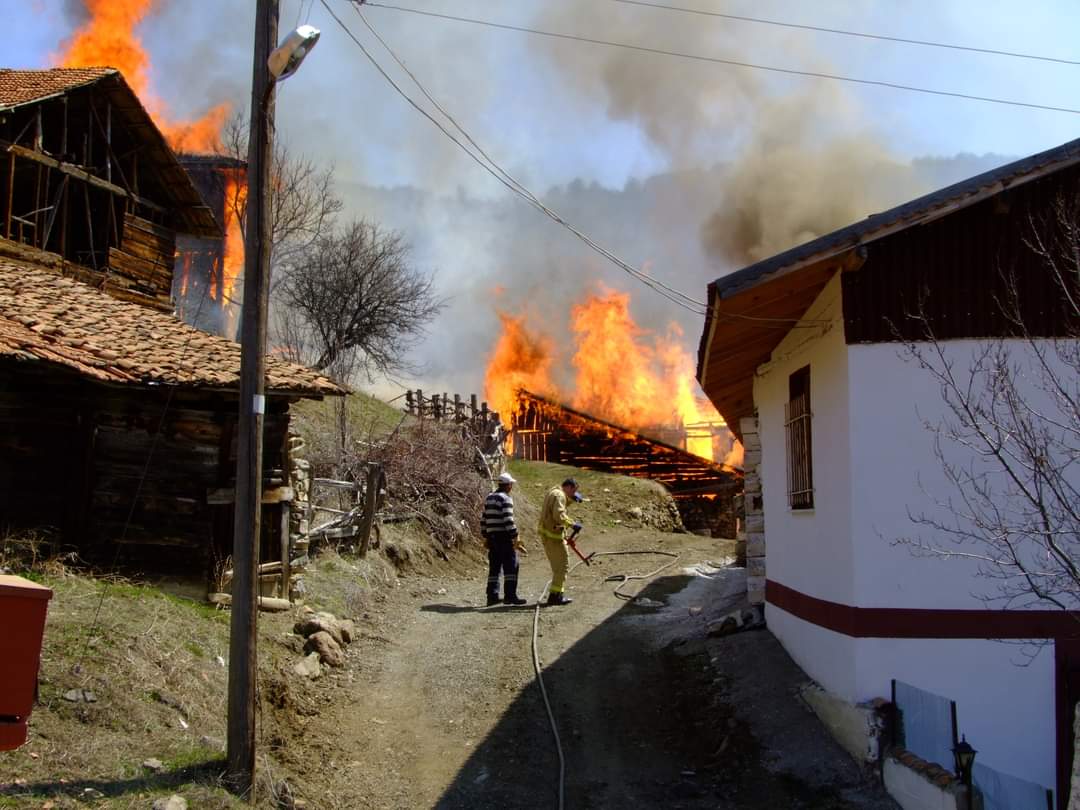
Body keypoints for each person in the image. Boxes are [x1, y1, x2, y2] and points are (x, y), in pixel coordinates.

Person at [481, 471, 527, 606]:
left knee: (494, 567)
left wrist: (486, 536)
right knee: (511, 566)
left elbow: (483, 519)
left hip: (492, 537)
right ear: (507, 485)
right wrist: (515, 536)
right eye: (511, 484)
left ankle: (492, 596)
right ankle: (510, 596)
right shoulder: (506, 499)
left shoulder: (489, 497)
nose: (511, 487)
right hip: (504, 537)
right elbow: (508, 519)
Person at [537, 477, 583, 606]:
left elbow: (556, 509)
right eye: (573, 491)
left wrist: (571, 500)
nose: (573, 494)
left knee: (559, 567)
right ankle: (555, 597)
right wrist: (572, 524)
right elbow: (559, 514)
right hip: (553, 538)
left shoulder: (554, 492)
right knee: (562, 567)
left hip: (550, 536)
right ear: (568, 487)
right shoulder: (560, 495)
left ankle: (556, 594)